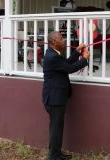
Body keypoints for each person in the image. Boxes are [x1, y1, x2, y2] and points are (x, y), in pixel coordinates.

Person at [42, 31, 90, 160]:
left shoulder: (56, 53)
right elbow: (69, 69)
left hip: (56, 97)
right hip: (54, 99)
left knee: (58, 128)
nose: (64, 41)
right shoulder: (52, 57)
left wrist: (78, 52)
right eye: (61, 39)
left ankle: (57, 153)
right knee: (55, 129)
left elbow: (66, 63)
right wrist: (85, 58)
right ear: (54, 42)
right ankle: (53, 157)